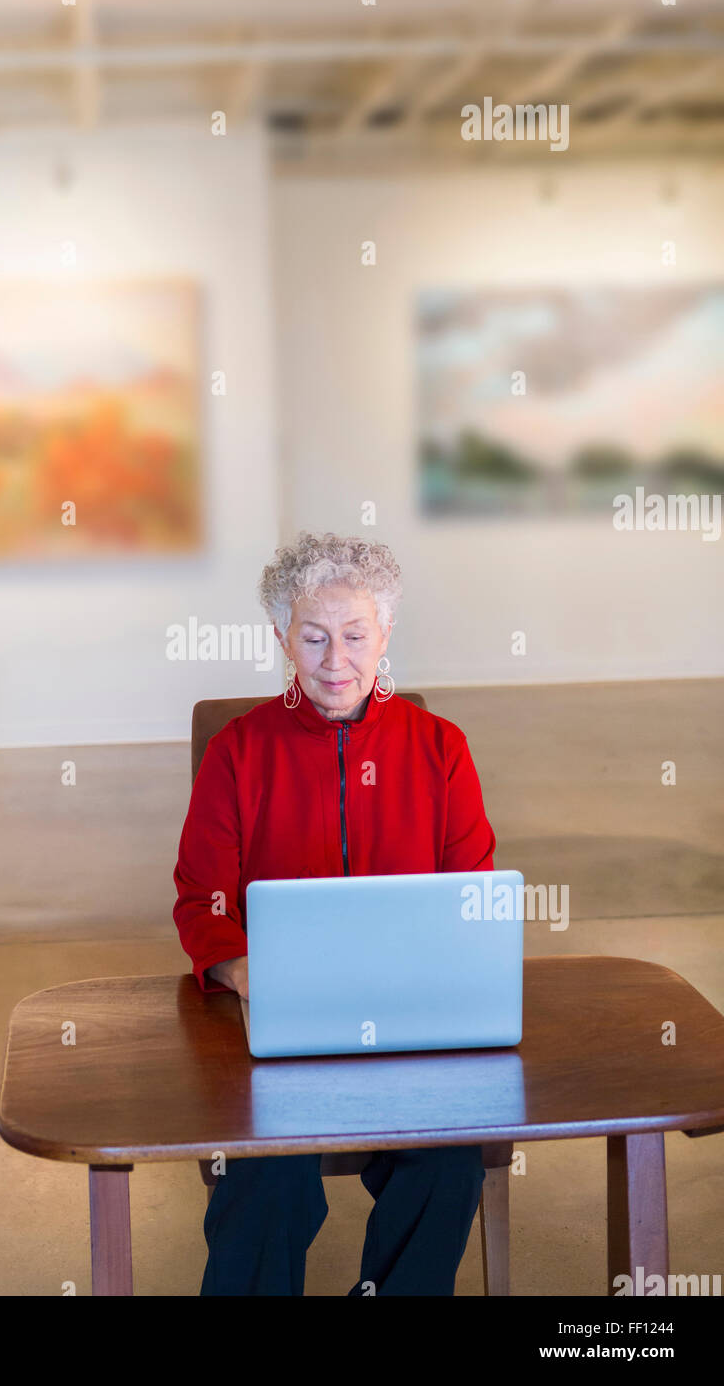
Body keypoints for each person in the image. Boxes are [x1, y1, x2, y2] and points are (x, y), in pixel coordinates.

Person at [173, 530, 497, 1296]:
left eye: (355, 636)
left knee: (448, 1166)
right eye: (313, 637)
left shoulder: (441, 748)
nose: (335, 661)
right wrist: (245, 969)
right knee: (268, 1180)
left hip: (411, 1026)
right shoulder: (238, 752)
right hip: (278, 1029)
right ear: (283, 636)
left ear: (385, 634)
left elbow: (473, 893)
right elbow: (200, 902)